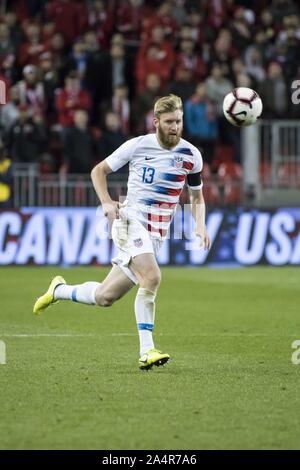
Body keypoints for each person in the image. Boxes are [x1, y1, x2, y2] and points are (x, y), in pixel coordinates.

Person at [33, 94, 211, 370]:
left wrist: (199, 224)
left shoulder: (191, 156)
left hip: (155, 235)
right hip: (129, 221)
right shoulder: (138, 146)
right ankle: (147, 350)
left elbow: (197, 197)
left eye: (178, 121)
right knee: (151, 276)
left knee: (105, 297)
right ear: (156, 122)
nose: (175, 127)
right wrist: (106, 202)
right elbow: (98, 171)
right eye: (169, 122)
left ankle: (59, 290)